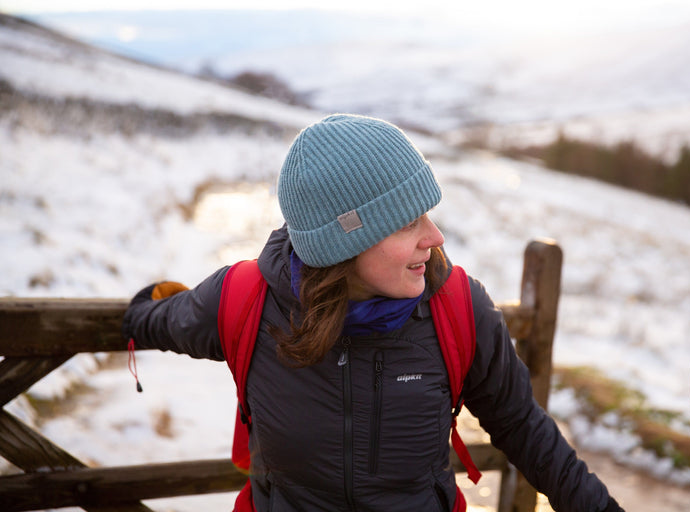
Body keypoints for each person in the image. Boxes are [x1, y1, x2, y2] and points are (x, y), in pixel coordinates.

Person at [122, 114, 624, 512]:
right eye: (408, 223)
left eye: (428, 215)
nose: (435, 237)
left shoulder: (457, 307)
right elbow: (163, 320)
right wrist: (141, 309)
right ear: (344, 242)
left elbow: (523, 427)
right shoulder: (245, 300)